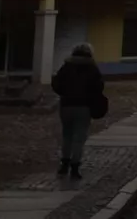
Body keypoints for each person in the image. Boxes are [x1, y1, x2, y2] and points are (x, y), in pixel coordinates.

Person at [50, 42, 105, 179]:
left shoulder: (67, 66)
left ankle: (64, 164)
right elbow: (99, 87)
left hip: (66, 105)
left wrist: (64, 93)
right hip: (84, 107)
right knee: (79, 138)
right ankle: (75, 167)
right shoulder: (92, 68)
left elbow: (56, 83)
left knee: (67, 135)